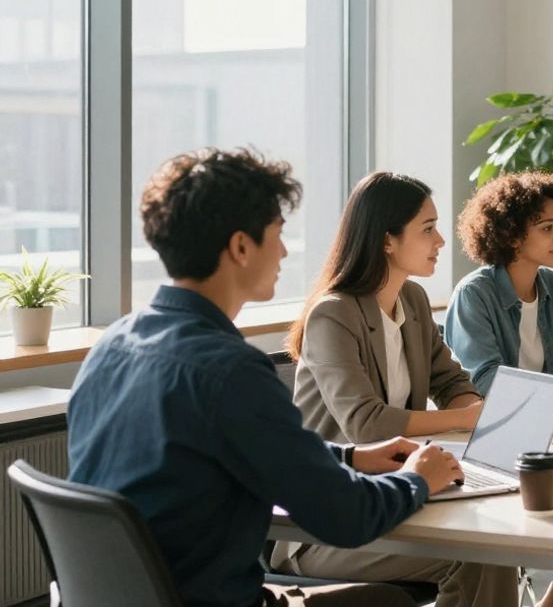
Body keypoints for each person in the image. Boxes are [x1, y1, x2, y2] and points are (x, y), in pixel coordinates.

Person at [67, 148, 461, 607]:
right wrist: (417, 479)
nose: (285, 251)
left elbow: (225, 449)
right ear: (240, 247)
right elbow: (347, 516)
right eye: (277, 234)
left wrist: (351, 457)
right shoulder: (230, 372)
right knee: (388, 599)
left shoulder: (111, 348)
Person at [271, 171, 518, 607]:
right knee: (481, 555)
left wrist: (471, 409)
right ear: (387, 240)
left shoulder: (414, 302)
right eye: (428, 229)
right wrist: (465, 418)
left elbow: (452, 383)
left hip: (399, 493)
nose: (441, 240)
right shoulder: (333, 314)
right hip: (327, 526)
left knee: (496, 537)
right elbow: (366, 425)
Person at [444, 170, 553, 607]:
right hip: (487, 444)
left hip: (544, 438)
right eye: (546, 228)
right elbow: (486, 385)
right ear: (512, 235)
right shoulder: (475, 295)